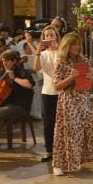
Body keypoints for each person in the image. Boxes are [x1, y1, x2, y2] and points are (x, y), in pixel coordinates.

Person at [51, 33, 93, 176]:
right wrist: (71, 77)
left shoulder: (83, 60)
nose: (77, 47)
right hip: (69, 100)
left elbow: (89, 86)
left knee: (90, 131)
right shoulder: (60, 61)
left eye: (78, 44)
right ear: (67, 46)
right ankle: (58, 164)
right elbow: (57, 86)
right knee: (70, 131)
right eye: (74, 44)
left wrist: (91, 79)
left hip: (84, 99)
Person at [26, 25, 60, 162]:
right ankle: (48, 150)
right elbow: (36, 68)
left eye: (52, 35)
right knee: (48, 123)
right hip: (47, 91)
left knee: (62, 123)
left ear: (57, 36)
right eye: (46, 36)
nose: (49, 38)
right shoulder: (43, 54)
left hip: (62, 91)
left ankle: (61, 150)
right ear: (43, 38)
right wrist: (38, 52)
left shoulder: (62, 52)